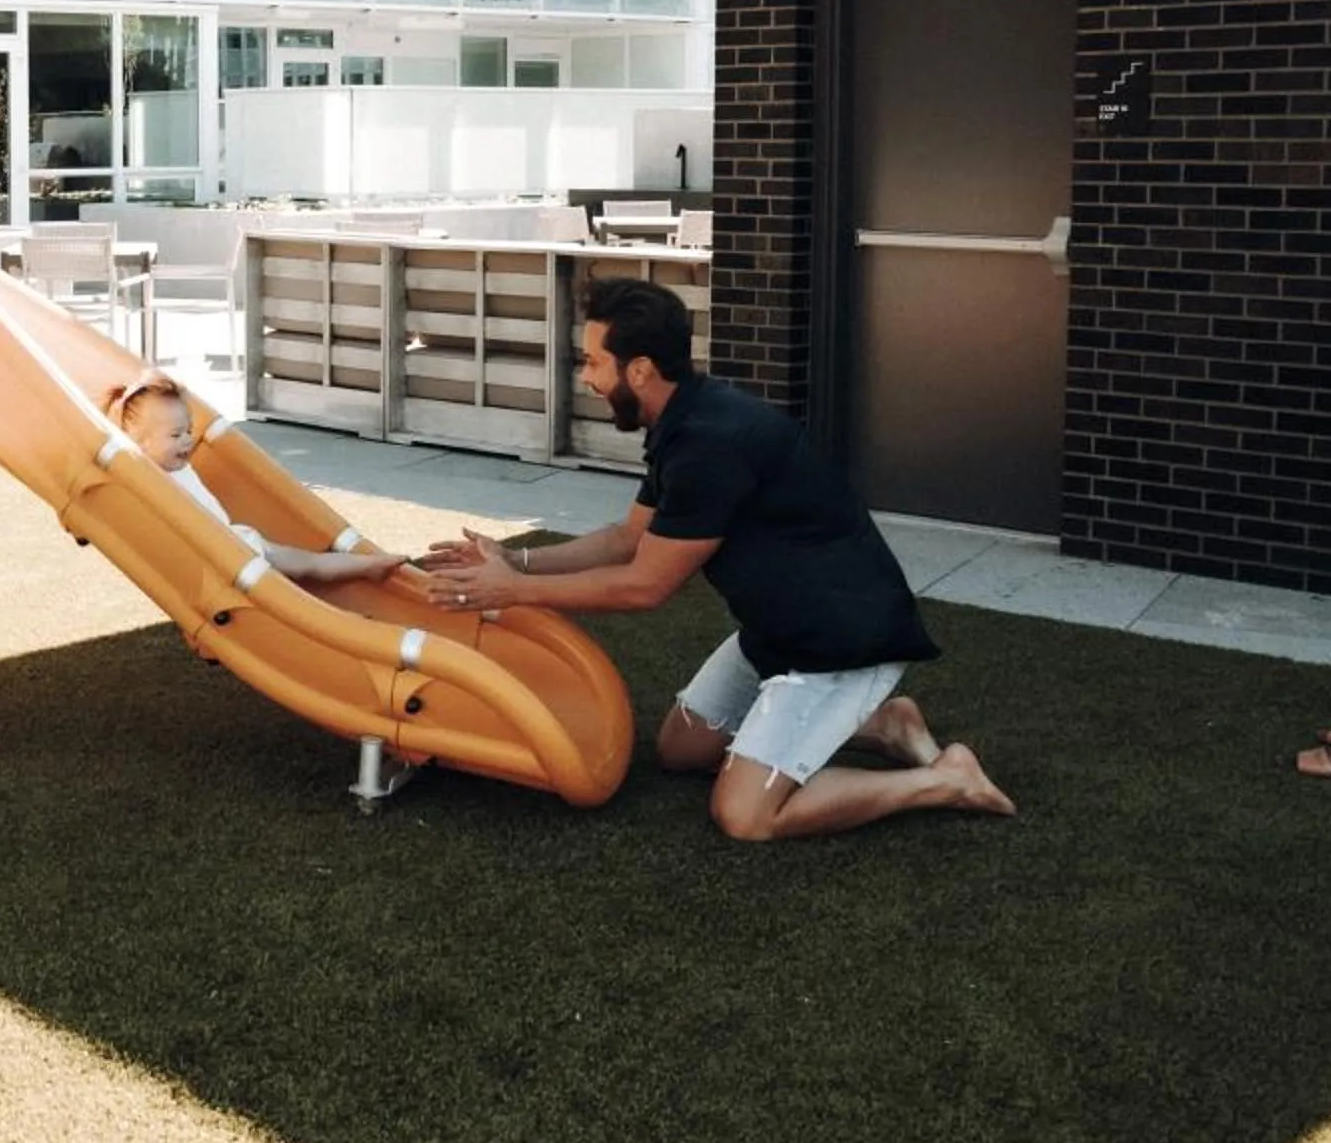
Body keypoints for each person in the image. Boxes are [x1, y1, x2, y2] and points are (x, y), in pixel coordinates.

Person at [415, 277, 1015, 841]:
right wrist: (514, 562)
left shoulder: (711, 443)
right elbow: (629, 538)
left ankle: (943, 779)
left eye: (595, 362)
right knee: (682, 750)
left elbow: (644, 586)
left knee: (745, 814)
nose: (587, 378)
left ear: (640, 370)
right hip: (777, 629)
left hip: (839, 646)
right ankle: (887, 725)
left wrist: (510, 593)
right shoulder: (685, 420)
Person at [106, 373, 406, 586]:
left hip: (235, 545)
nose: (187, 440)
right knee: (297, 572)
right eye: (175, 435)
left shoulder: (177, 465)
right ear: (138, 443)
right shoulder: (146, 475)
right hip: (221, 558)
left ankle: (366, 566)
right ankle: (358, 583)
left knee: (306, 564)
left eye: (188, 430)